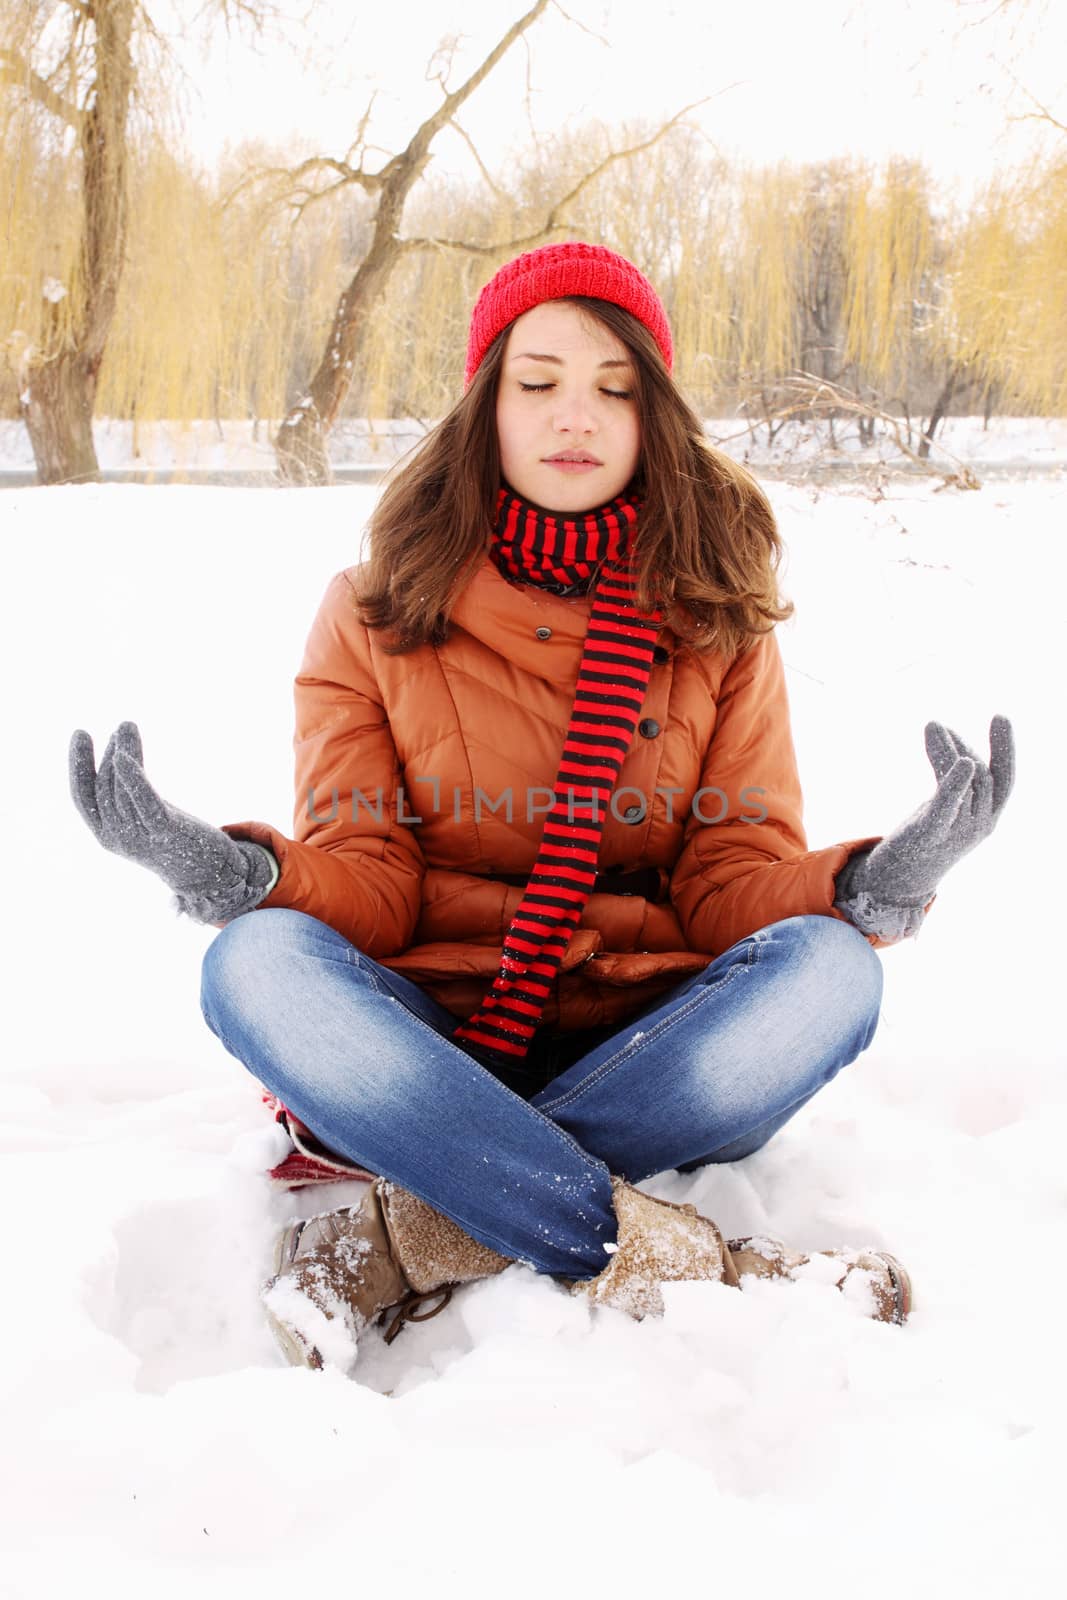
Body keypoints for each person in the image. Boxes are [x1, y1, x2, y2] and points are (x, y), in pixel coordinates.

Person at [70, 241, 1015, 1372]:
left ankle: (426, 1214)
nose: (577, 414)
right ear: (487, 407)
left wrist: (871, 885)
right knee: (251, 966)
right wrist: (234, 876)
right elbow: (369, 884)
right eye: (540, 381)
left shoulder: (711, 617)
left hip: (647, 1039)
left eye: (614, 387)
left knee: (834, 972)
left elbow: (727, 888)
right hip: (436, 1037)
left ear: (652, 414)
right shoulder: (371, 614)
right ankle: (706, 1264)